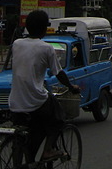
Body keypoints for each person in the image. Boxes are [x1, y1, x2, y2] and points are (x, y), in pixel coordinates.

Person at [9, 10, 81, 161]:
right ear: (44, 29)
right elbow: (58, 73)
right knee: (59, 118)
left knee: (20, 139)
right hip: (35, 101)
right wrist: (71, 86)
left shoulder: (16, 44)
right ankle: (48, 150)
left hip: (15, 103)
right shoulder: (46, 48)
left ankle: (17, 166)